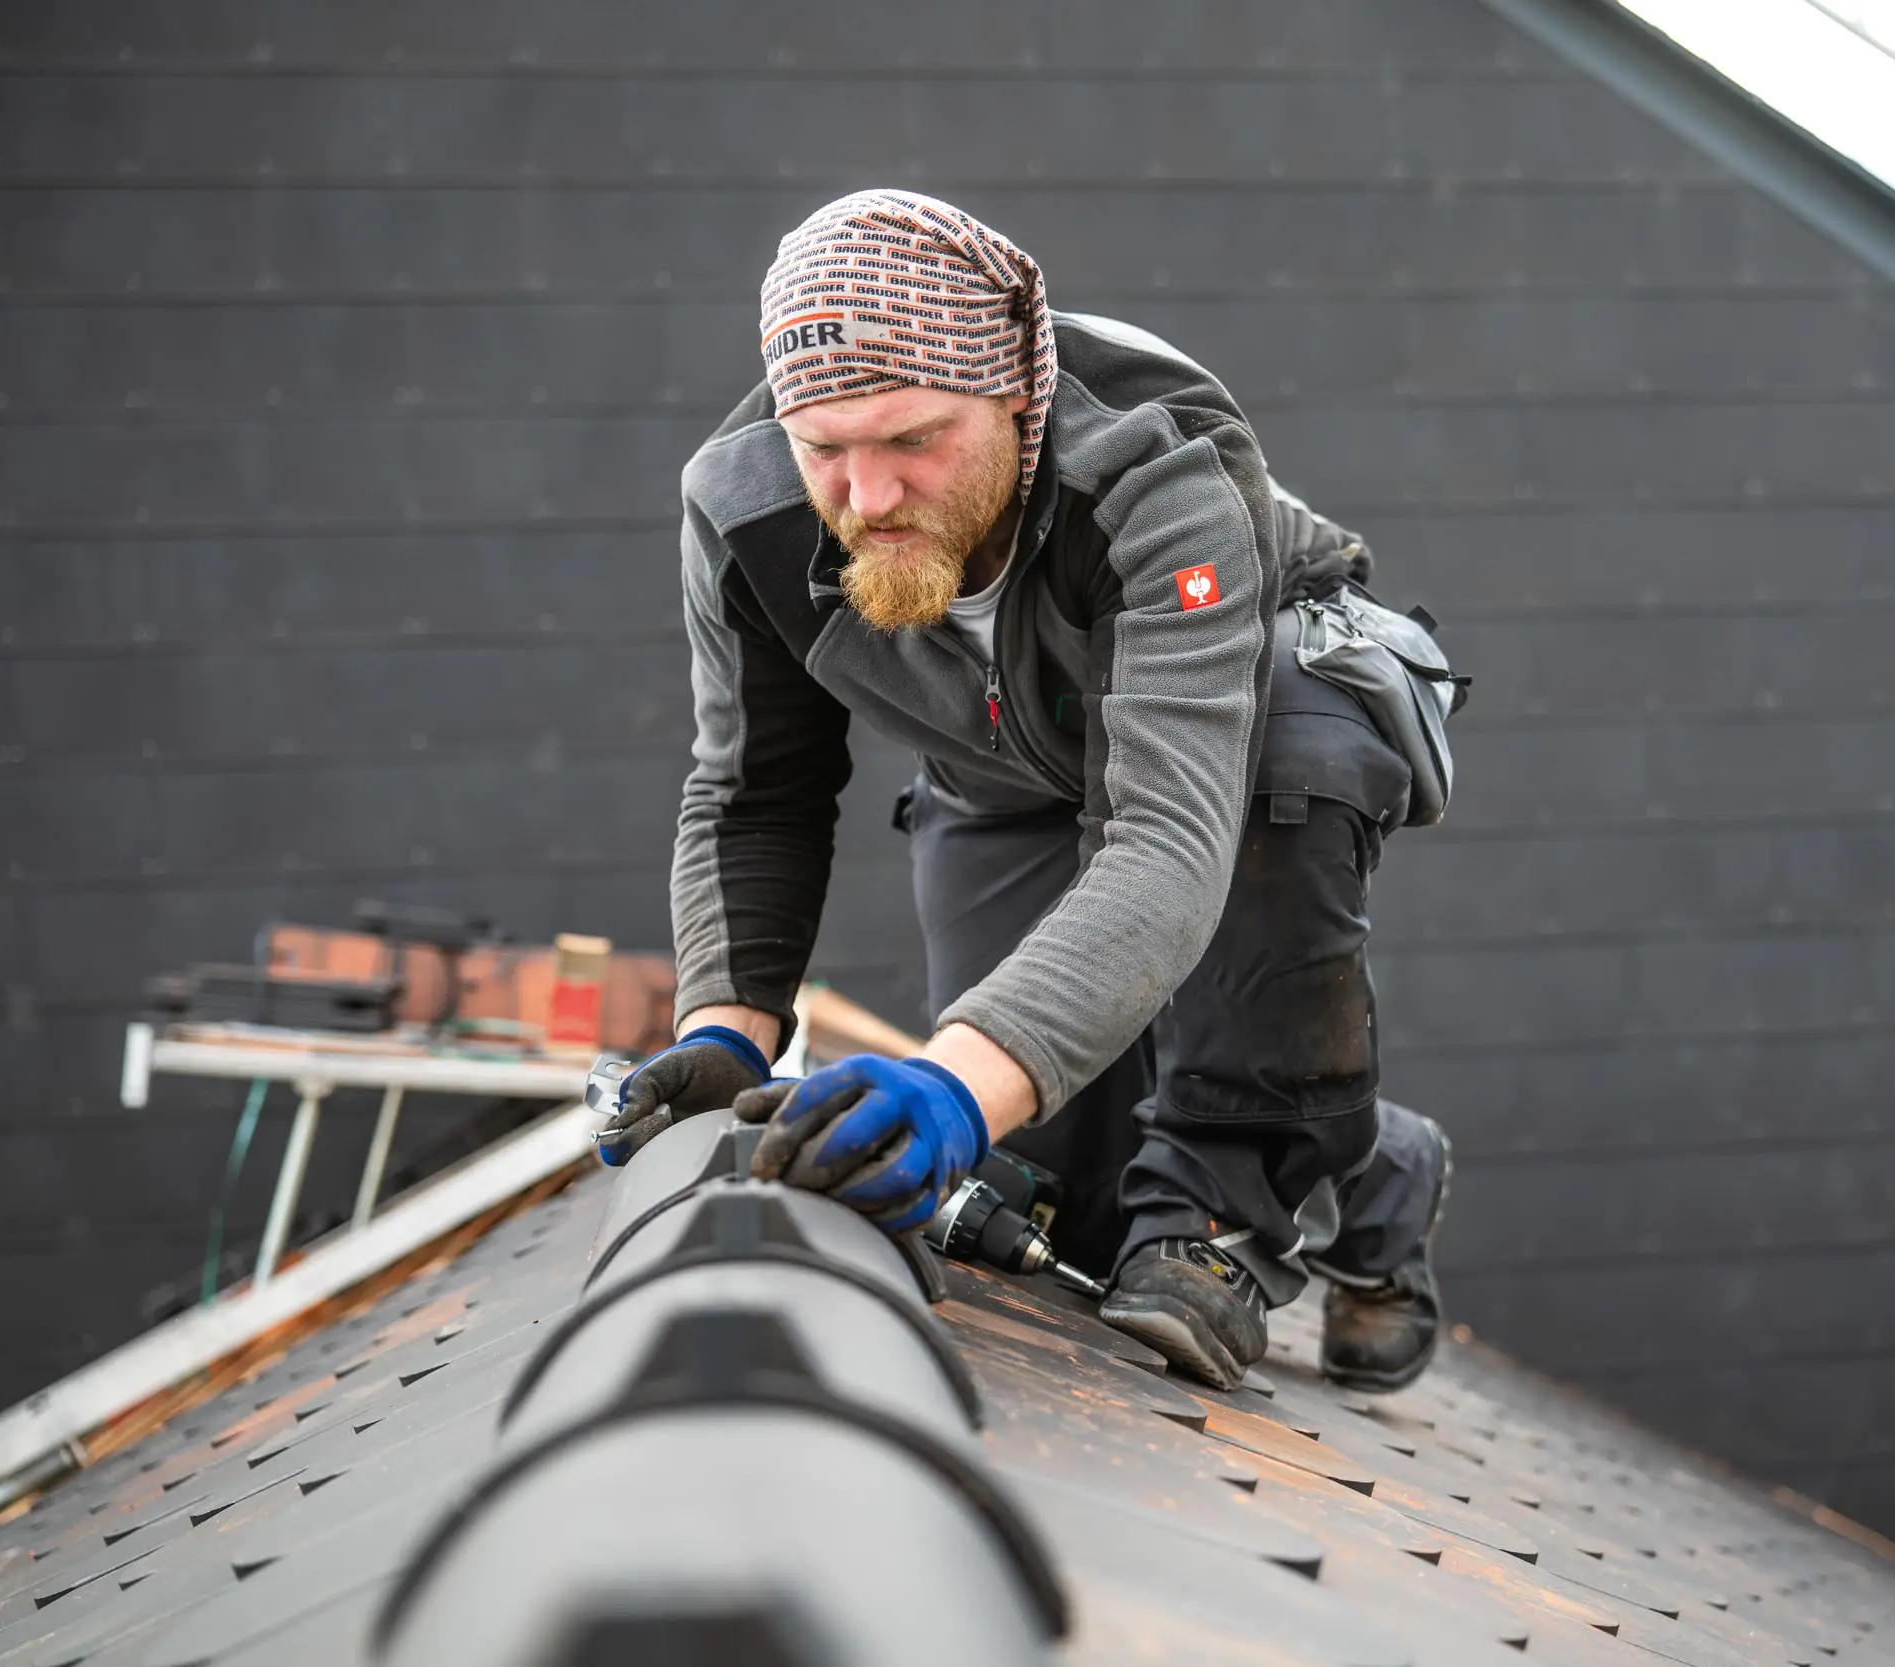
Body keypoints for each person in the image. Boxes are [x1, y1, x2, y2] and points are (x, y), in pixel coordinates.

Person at [601, 190, 1454, 1393]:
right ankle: (1374, 1160)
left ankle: (1217, 1218)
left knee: (1289, 759)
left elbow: (1164, 839)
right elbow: (755, 792)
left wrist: (952, 1084)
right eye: (826, 449)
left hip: (1249, 713)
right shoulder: (744, 509)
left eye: (912, 441)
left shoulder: (1156, 466)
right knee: (1061, 1180)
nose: (869, 496)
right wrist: (721, 1037)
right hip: (1007, 760)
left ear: (1017, 396)